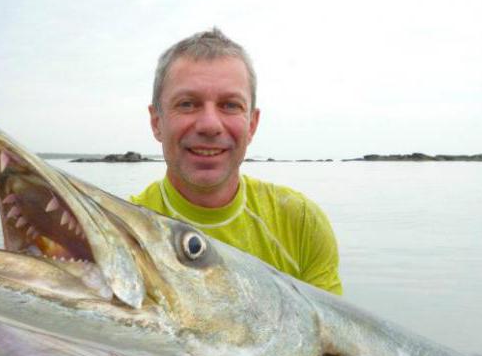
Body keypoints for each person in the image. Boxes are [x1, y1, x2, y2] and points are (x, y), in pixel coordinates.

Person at [130, 28, 342, 295]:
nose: (209, 125)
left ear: (252, 124)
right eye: (187, 104)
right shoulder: (125, 237)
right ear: (156, 122)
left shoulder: (300, 223)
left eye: (230, 105)